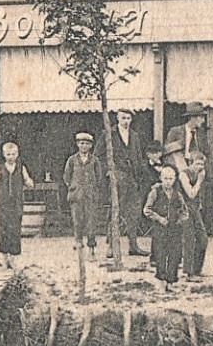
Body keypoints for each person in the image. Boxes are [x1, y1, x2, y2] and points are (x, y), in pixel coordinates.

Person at [94, 109, 147, 256]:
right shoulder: (109, 134)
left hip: (133, 179)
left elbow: (138, 156)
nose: (126, 121)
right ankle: (112, 246)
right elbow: (98, 156)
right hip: (118, 177)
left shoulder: (135, 136)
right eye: (123, 118)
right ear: (117, 118)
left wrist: (139, 176)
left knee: (134, 212)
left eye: (129, 118)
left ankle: (133, 245)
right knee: (115, 211)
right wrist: (109, 171)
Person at [0, 141, 34, 269]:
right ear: (4, 155)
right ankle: (4, 257)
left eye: (13, 154)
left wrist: (29, 182)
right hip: (3, 204)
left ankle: (14, 257)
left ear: (17, 154)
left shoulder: (21, 168)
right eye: (8, 154)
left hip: (17, 204)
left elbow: (27, 180)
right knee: (4, 229)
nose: (11, 157)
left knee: (15, 229)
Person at [143, 164, 187, 289]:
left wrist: (179, 221)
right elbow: (147, 209)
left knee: (174, 254)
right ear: (161, 178)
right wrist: (159, 218)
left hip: (174, 229)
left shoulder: (177, 194)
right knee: (160, 254)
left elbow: (184, 211)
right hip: (160, 229)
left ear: (174, 179)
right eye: (166, 178)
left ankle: (171, 281)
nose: (168, 182)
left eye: (171, 179)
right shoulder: (155, 192)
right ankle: (161, 280)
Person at [63, 131, 104, 252]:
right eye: (82, 143)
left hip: (90, 195)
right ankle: (79, 243)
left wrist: (92, 188)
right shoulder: (72, 160)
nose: (84, 146)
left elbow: (99, 177)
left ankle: (91, 247)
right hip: (76, 196)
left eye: (87, 143)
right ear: (77, 144)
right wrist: (74, 187)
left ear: (91, 146)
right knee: (77, 221)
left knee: (91, 222)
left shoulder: (94, 160)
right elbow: (66, 176)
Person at [180, 151, 209, 278]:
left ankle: (197, 269)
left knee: (203, 238)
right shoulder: (183, 174)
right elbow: (191, 194)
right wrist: (199, 181)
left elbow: (198, 196)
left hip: (195, 209)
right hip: (183, 209)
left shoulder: (200, 173)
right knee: (189, 239)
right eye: (197, 164)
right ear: (190, 163)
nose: (200, 167)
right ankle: (189, 272)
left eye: (202, 164)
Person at [164, 102, 212, 172]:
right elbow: (166, 150)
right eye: (201, 117)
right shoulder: (175, 131)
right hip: (180, 166)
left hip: (197, 167)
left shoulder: (202, 133)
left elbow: (207, 152)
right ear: (193, 118)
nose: (203, 121)